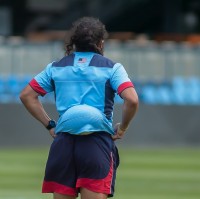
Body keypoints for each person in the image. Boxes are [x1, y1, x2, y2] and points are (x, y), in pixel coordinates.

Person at [20, 17, 138, 199]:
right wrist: (122, 128)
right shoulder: (113, 68)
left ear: (74, 43)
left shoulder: (55, 68)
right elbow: (132, 100)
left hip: (63, 143)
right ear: (101, 43)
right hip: (97, 142)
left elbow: (27, 95)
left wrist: (50, 125)